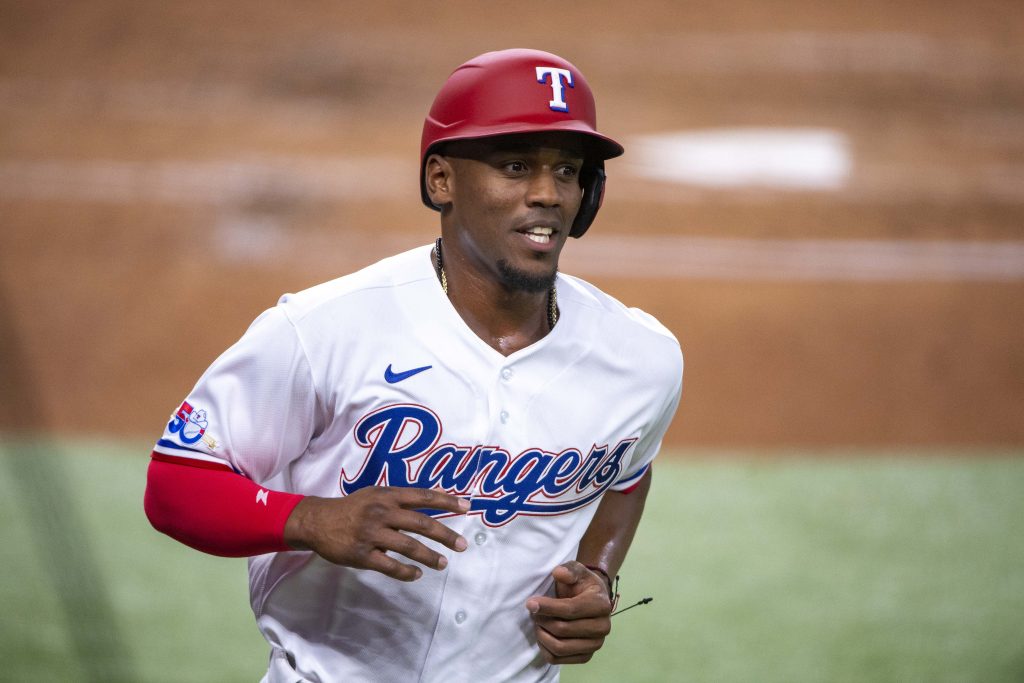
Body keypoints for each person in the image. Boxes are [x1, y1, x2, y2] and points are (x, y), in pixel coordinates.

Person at [144, 48, 683, 683]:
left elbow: (626, 468)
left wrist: (597, 573)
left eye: (568, 171)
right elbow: (176, 485)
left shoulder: (641, 357)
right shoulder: (323, 329)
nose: (547, 194)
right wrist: (308, 519)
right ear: (441, 181)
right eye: (515, 166)